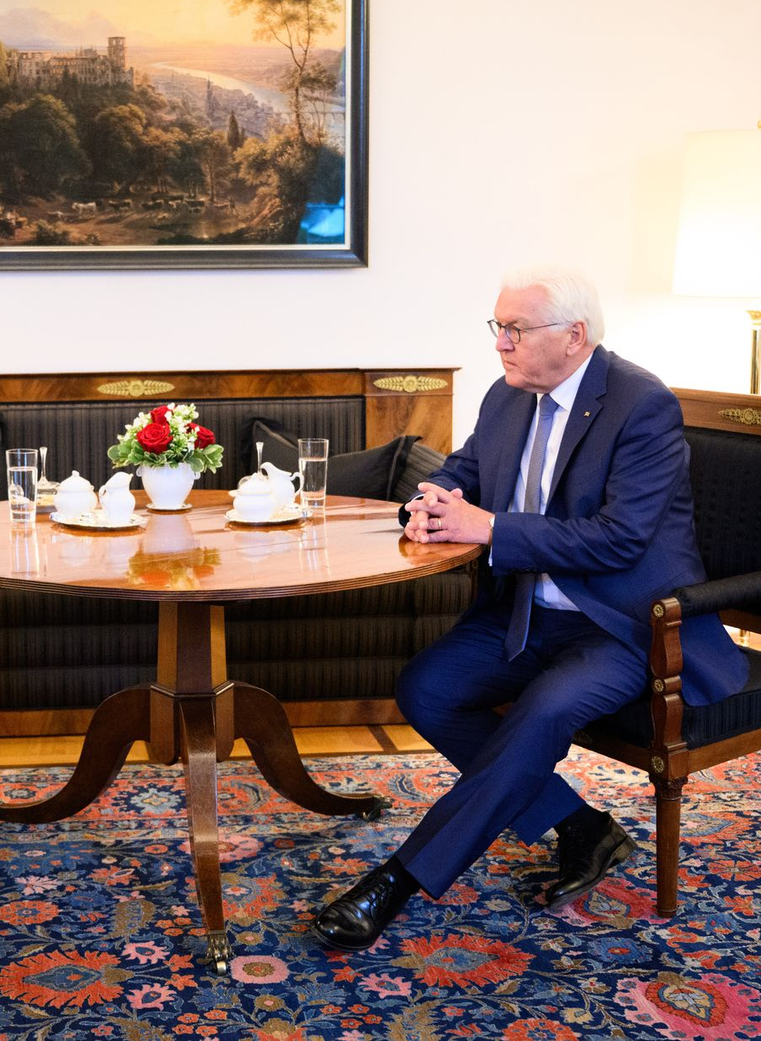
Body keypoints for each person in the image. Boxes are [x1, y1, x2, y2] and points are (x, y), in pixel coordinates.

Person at [313, 266, 747, 952]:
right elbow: (463, 471)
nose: (500, 344)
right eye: (499, 327)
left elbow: (620, 538)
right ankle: (581, 827)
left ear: (574, 336)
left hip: (623, 624)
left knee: (542, 710)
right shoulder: (509, 394)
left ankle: (395, 880)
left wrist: (488, 528)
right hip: (527, 612)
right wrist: (428, 502)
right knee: (428, 688)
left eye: (514, 329)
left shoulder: (641, 404)